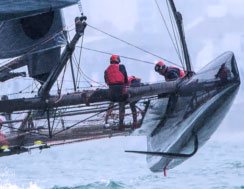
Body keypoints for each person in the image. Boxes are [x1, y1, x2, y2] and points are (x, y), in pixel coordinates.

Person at [104, 54, 128, 130]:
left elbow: (106, 81)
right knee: (122, 106)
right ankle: (121, 124)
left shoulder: (106, 70)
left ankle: (106, 121)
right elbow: (126, 79)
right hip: (120, 89)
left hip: (111, 91)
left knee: (111, 104)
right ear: (118, 60)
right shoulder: (121, 67)